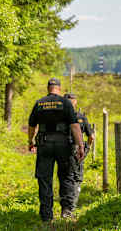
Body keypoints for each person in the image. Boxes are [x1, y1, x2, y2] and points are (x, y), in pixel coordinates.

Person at [28, 78, 85, 222]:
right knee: (66, 177)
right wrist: (80, 146)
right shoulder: (66, 103)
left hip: (44, 144)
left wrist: (31, 141)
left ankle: (46, 216)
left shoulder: (39, 103)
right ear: (59, 88)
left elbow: (31, 126)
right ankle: (66, 211)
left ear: (48, 88)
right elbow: (75, 126)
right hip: (63, 145)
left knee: (44, 179)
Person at [63, 93, 94, 209]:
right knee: (76, 178)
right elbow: (91, 137)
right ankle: (70, 207)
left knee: (65, 177)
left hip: (62, 150)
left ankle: (66, 205)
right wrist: (87, 149)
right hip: (77, 151)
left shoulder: (58, 117)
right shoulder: (81, 117)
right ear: (75, 102)